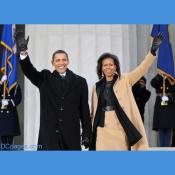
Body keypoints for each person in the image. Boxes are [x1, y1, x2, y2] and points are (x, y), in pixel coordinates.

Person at [15, 32, 92, 150]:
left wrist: (87, 134)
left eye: (64, 60)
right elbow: (29, 71)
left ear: (68, 61)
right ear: (53, 63)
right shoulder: (45, 78)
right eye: (58, 60)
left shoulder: (80, 82)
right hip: (49, 137)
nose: (61, 63)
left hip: (71, 136)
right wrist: (23, 52)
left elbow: (84, 111)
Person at [90, 33, 164, 150]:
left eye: (111, 64)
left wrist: (152, 52)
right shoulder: (96, 86)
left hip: (119, 127)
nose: (108, 67)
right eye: (105, 65)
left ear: (115, 67)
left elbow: (142, 69)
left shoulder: (125, 80)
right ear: (101, 68)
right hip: (102, 129)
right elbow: (93, 112)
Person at [151, 72, 175, 147]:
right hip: (160, 106)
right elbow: (153, 83)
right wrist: (160, 75)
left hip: (169, 107)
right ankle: (162, 148)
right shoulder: (159, 79)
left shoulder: (172, 80)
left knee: (168, 129)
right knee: (161, 129)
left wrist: (169, 98)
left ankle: (167, 149)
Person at [0, 73, 22, 150]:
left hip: (10, 117)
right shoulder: (1, 85)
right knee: (2, 141)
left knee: (9, 142)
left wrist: (8, 102)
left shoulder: (15, 86)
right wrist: (1, 83)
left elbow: (18, 98)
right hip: (2, 117)